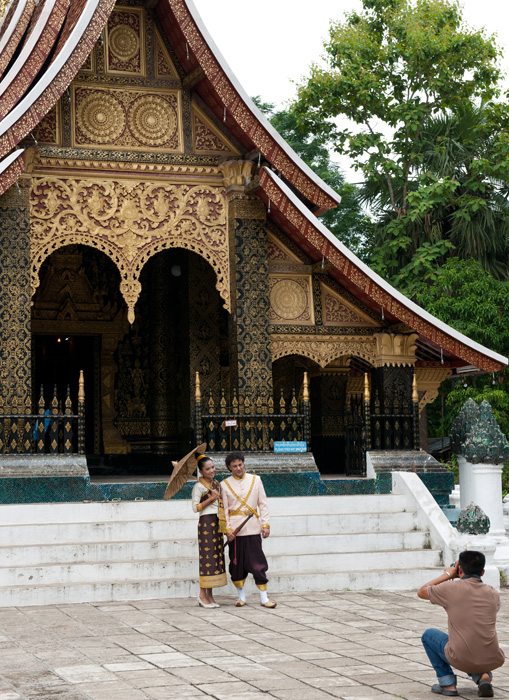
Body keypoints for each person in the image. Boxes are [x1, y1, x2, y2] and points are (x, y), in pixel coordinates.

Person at [417, 550, 505, 698]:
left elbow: (422, 592)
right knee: (474, 642)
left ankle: (448, 684)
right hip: (492, 658)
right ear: (482, 572)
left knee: (429, 635)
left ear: (459, 569)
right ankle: (482, 676)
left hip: (461, 657)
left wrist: (447, 575)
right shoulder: (493, 593)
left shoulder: (451, 588)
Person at [220, 451, 276, 608]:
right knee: (236, 564)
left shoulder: (256, 480)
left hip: (252, 527)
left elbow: (262, 504)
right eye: (234, 466)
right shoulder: (224, 484)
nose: (238, 468)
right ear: (229, 468)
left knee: (258, 562)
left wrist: (265, 524)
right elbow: (224, 510)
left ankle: (264, 598)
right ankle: (241, 597)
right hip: (235, 531)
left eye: (240, 464)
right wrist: (227, 530)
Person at [191, 454, 227, 608]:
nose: (212, 470)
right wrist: (211, 498)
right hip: (206, 523)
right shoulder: (198, 486)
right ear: (201, 471)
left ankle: (210, 595)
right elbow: (195, 508)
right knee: (207, 559)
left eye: (212, 467)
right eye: (208, 469)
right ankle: (201, 595)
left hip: (217, 522)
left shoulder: (217, 484)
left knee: (215, 558)